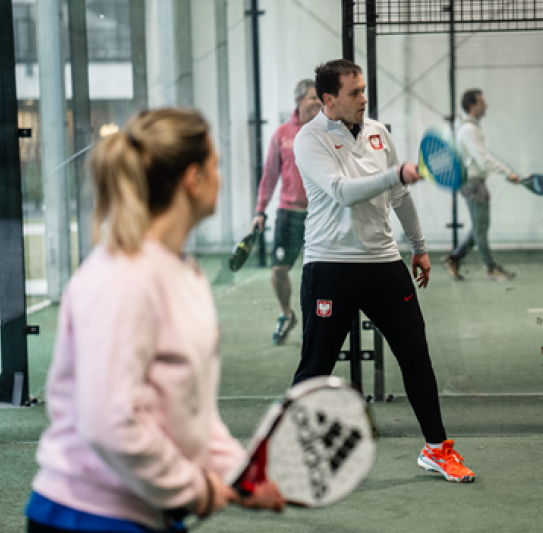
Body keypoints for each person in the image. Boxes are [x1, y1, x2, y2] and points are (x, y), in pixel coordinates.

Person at [25, 108, 286, 533]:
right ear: (193, 178)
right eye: (215, 166)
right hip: (83, 517)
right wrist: (195, 489)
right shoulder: (120, 277)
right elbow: (110, 422)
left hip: (149, 513)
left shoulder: (186, 273)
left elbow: (189, 411)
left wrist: (240, 477)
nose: (221, 178)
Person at [291, 59, 475, 483]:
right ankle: (289, 450)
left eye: (364, 89)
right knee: (316, 367)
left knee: (416, 357)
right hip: (330, 267)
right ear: (329, 100)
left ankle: (436, 449)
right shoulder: (310, 138)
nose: (364, 98)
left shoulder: (378, 133)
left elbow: (399, 194)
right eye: (354, 93)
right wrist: (397, 172)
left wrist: (420, 248)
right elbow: (340, 192)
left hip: (384, 264)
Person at [251, 79, 322, 346]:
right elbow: (269, 176)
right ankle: (286, 315)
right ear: (299, 101)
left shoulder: (325, 131)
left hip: (319, 214)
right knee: (279, 270)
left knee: (318, 272)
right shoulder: (282, 134)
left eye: (319, 98)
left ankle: (319, 323)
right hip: (288, 214)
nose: (317, 102)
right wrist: (260, 210)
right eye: (313, 97)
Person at [441, 89, 520, 281]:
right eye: (482, 103)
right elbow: (483, 160)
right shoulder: (468, 130)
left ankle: (453, 259)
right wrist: (507, 172)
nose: (486, 106)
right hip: (473, 184)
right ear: (472, 106)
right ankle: (491, 269)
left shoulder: (470, 128)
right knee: (481, 230)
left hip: (474, 183)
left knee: (478, 228)